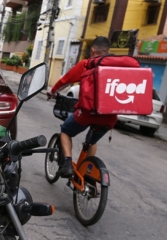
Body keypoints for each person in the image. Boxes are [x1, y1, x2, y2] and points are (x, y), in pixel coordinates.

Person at [47, 36, 117, 178]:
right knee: (92, 141)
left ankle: (67, 163)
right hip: (110, 116)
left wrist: (52, 91)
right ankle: (87, 172)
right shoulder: (117, 68)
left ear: (92, 51)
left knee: (66, 130)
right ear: (108, 51)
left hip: (88, 113)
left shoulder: (87, 64)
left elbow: (65, 80)